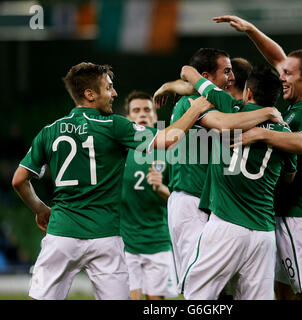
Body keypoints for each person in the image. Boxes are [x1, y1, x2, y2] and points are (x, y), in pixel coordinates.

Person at [11, 62, 212, 300]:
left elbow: (19, 180)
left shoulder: (50, 131)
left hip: (61, 235)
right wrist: (196, 108)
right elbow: (167, 139)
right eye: (109, 88)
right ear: (90, 94)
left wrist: (40, 208)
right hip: (106, 238)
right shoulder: (114, 125)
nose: (114, 93)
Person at [214, 15, 302, 300]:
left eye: (288, 74)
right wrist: (252, 31)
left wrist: (262, 135)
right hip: (296, 211)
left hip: (299, 214)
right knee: (282, 289)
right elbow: (280, 58)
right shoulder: (301, 100)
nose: (281, 77)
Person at [154, 48, 284, 290]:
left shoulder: (226, 104)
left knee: (224, 288)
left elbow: (191, 82)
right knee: (200, 287)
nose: (231, 77)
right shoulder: (195, 103)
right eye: (226, 72)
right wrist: (266, 113)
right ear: (206, 77)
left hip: (214, 206)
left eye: (233, 73)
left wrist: (171, 85)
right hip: (190, 202)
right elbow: (224, 124)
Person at [179, 64, 297, 300]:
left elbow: (187, 71)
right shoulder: (285, 133)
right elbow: (289, 177)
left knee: (197, 295)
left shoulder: (227, 105)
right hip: (263, 234)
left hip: (226, 225)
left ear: (249, 93)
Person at [120, 90, 177, 300]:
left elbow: (182, 201)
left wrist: (161, 189)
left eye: (147, 109)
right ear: (128, 118)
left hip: (158, 240)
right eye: (136, 110)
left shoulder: (169, 150)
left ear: (155, 117)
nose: (142, 114)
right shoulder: (118, 150)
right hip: (124, 242)